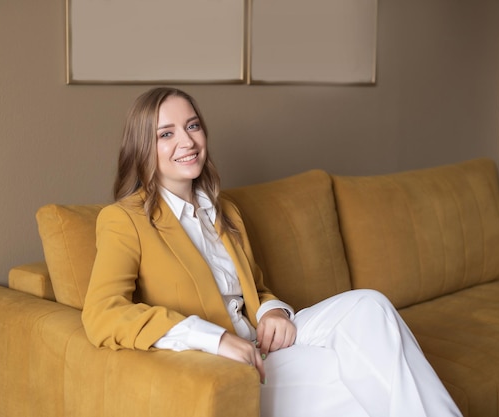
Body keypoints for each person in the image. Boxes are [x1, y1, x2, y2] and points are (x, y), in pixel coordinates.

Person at [82, 87, 462, 417]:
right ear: (141, 146)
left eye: (193, 126)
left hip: (265, 345)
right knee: (367, 378)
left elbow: (256, 289)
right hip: (223, 368)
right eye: (166, 133)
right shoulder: (124, 219)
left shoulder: (224, 210)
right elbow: (102, 313)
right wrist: (211, 338)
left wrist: (273, 311)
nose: (187, 141)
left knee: (370, 307)